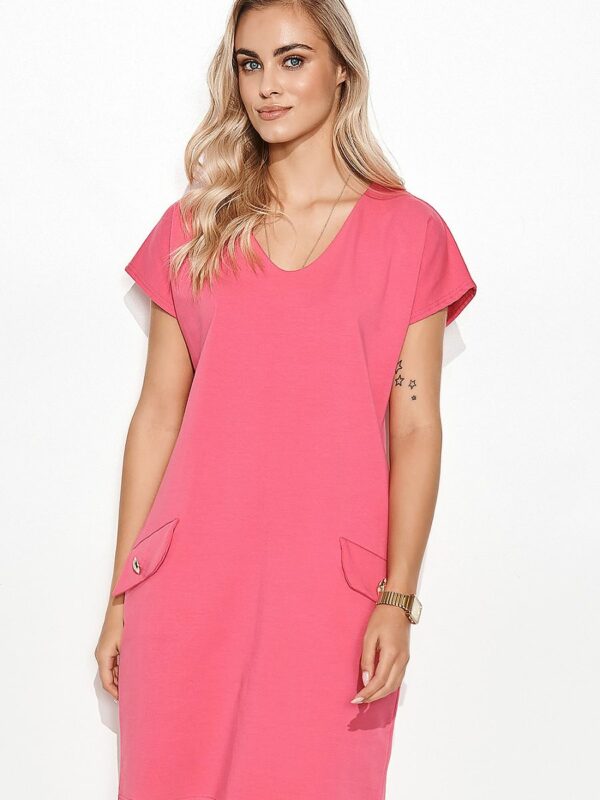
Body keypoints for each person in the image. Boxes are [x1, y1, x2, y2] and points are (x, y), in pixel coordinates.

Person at [95, 1, 477, 798]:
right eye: (250, 63)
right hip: (187, 588)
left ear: (342, 69)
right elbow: (157, 416)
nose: (267, 84)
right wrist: (121, 596)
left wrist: (399, 598)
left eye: (293, 59)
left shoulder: (411, 235)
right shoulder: (194, 228)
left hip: (329, 598)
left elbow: (416, 427)